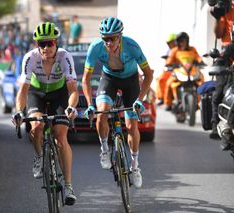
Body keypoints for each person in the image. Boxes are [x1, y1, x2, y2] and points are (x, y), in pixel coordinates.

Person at [12, 22, 79, 205]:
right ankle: (39, 155)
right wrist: (19, 111)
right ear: (37, 45)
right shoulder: (30, 58)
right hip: (36, 92)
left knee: (60, 136)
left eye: (50, 43)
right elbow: (24, 89)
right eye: (42, 44)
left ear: (56, 43)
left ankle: (68, 185)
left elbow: (72, 88)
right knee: (36, 125)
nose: (46, 47)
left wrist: (71, 107)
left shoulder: (65, 57)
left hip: (59, 94)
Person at [82, 17, 153, 188]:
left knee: (131, 125)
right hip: (109, 79)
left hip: (131, 81)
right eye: (105, 38)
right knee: (102, 113)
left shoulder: (132, 46)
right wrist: (90, 104)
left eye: (112, 38)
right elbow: (86, 79)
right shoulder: (95, 47)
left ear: (120, 36)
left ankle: (135, 166)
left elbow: (148, 74)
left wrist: (139, 100)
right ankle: (105, 149)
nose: (108, 42)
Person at [209, 0, 234, 140]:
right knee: (218, 92)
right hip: (227, 56)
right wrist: (218, 18)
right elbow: (218, 34)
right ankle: (215, 124)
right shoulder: (223, 8)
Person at [164, 32, 204, 111]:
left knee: (201, 79)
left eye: (183, 41)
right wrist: (169, 65)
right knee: (169, 83)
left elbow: (198, 57)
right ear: (177, 42)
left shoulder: (192, 49)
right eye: (180, 41)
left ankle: (199, 101)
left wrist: (201, 62)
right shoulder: (174, 51)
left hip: (191, 72)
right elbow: (169, 61)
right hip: (179, 72)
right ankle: (168, 103)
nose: (182, 43)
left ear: (187, 41)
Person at [156, 33, 177, 106]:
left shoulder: (181, 49)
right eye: (169, 43)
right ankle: (162, 98)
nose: (171, 45)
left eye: (172, 42)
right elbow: (167, 62)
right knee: (160, 79)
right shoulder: (169, 51)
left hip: (179, 71)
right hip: (170, 70)